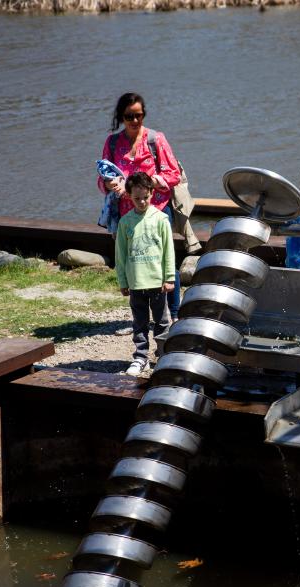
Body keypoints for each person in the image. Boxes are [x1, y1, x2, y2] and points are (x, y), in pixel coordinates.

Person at [99, 92, 188, 321]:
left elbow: (173, 174)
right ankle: (144, 313)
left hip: (157, 209)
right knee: (133, 259)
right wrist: (111, 183)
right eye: (129, 116)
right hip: (126, 214)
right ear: (121, 116)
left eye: (138, 115)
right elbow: (101, 180)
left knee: (166, 258)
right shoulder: (112, 142)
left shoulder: (155, 139)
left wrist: (155, 182)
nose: (135, 120)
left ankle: (175, 313)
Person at [115, 172, 176, 377]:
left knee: (161, 321)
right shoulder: (125, 222)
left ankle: (163, 356)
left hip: (157, 282)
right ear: (129, 197)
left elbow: (169, 250)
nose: (141, 202)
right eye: (136, 198)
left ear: (152, 193)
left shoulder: (161, 219)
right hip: (136, 283)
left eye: (145, 197)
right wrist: (123, 281)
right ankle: (140, 357)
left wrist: (169, 277)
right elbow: (121, 255)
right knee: (139, 322)